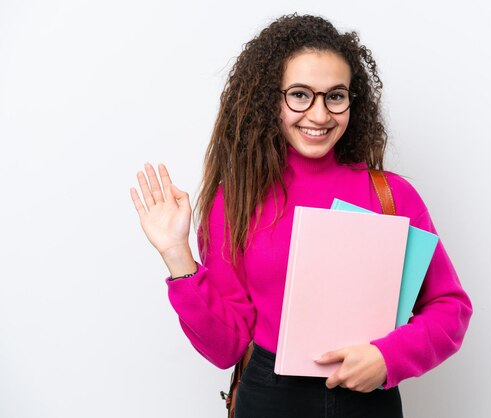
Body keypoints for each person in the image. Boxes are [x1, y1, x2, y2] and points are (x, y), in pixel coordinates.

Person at [130, 13, 472, 418]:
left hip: (368, 401)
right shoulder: (236, 200)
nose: (319, 114)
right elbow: (226, 348)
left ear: (351, 101)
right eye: (299, 94)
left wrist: (387, 357)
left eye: (335, 96)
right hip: (270, 397)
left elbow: (451, 308)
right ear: (270, 99)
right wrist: (176, 255)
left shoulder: (392, 195)